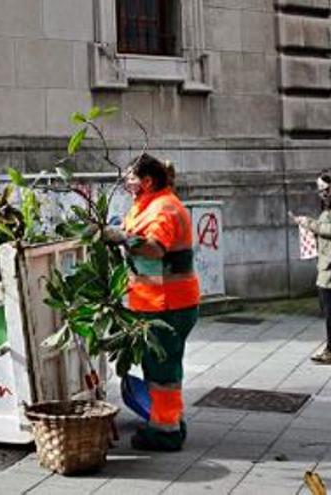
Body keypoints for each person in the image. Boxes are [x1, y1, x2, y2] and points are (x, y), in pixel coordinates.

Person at [103, 154, 200, 452]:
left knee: (163, 370)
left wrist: (121, 238)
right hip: (156, 303)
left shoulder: (165, 208)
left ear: (147, 181)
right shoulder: (149, 203)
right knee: (159, 366)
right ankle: (168, 420)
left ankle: (166, 431)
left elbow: (156, 248)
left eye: (131, 177)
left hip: (168, 305)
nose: (126, 181)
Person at [292, 173, 331, 365]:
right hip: (325, 270)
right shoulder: (326, 211)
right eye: (320, 190)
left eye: (325, 190)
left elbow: (327, 230)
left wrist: (308, 223)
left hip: (329, 272)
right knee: (327, 312)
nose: (322, 194)